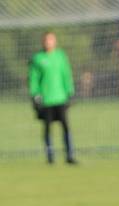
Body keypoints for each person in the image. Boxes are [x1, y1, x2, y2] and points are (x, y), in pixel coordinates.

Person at [28, 31, 77, 164]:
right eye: (46, 40)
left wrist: (70, 92)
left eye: (51, 40)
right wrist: (35, 95)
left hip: (60, 98)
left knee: (66, 126)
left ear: (54, 41)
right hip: (46, 99)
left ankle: (70, 155)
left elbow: (66, 75)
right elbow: (33, 79)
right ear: (43, 42)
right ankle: (50, 156)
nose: (48, 42)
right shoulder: (38, 58)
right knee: (47, 127)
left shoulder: (61, 56)